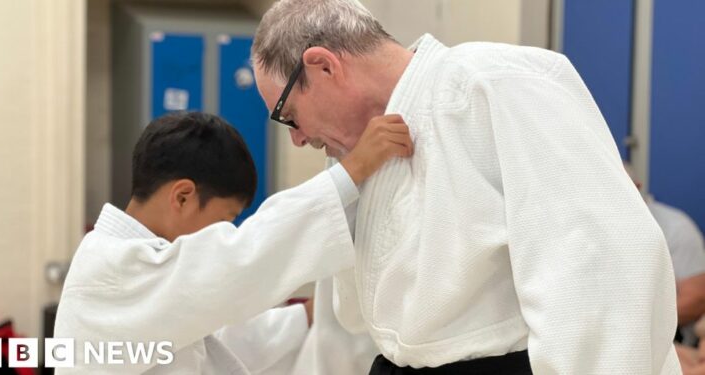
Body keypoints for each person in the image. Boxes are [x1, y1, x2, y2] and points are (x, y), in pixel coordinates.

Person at [252, 0, 680, 373]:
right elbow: (359, 315)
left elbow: (599, 268)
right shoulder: (359, 155)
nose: (297, 138)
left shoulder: (496, 83)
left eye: (288, 115)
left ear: (324, 65)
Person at [54, 111, 412, 373]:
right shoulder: (113, 273)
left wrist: (305, 316)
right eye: (225, 219)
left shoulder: (136, 275)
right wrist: (353, 171)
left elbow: (214, 342)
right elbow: (240, 260)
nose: (225, 232)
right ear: (182, 197)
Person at [626, 162, 705, 346]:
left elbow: (697, 299)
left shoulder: (676, 229)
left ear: (637, 187)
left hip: (669, 341)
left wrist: (633, 327)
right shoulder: (592, 232)